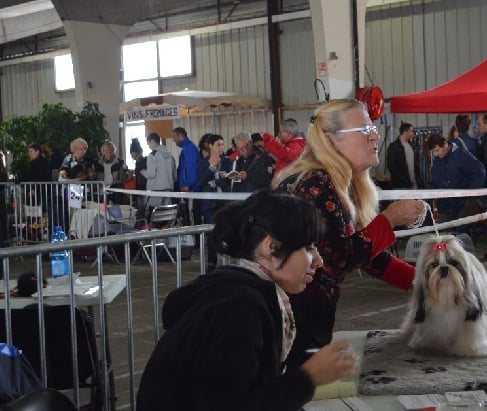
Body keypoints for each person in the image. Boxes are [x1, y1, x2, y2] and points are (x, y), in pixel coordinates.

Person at [136, 190, 356, 411]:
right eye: (308, 248)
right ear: (272, 247)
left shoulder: (239, 293)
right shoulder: (239, 308)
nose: (318, 261)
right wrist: (309, 378)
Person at [274, 99, 425, 368]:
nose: (376, 136)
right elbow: (337, 258)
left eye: (373, 128)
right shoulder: (314, 186)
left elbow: (369, 256)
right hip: (290, 322)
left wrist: (424, 282)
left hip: (308, 318)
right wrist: (389, 221)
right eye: (365, 130)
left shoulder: (338, 183)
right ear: (332, 141)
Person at [425, 133, 485, 221]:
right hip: (444, 208)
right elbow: (435, 181)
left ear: (445, 144)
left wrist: (472, 195)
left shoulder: (461, 155)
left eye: (437, 150)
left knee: (462, 233)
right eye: (433, 152)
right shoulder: (437, 163)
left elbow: (479, 171)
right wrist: (430, 196)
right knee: (445, 233)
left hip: (462, 207)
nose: (436, 154)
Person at [196, 134, 232, 271]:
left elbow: (228, 179)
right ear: (210, 146)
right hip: (209, 203)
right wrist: (212, 167)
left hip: (225, 201)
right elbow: (201, 179)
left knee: (226, 230)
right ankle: (211, 261)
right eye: (218, 144)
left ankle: (227, 259)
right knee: (210, 232)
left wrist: (214, 182)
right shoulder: (203, 163)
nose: (221, 147)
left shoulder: (227, 161)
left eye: (222, 144)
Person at [141, 133, 176, 218]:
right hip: (168, 189)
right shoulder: (170, 155)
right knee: (167, 216)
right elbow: (174, 175)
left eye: (148, 143)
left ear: (152, 141)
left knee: (155, 217)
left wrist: (143, 172)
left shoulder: (152, 155)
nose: (148, 146)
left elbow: (151, 173)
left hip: (156, 190)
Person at [386, 122, 422, 189]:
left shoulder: (411, 146)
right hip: (400, 186)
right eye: (411, 131)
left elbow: (415, 165)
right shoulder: (393, 147)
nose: (413, 134)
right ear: (405, 132)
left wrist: (419, 181)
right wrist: (403, 181)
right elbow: (391, 166)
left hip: (414, 185)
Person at [171, 127, 201, 193]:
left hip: (190, 188)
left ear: (180, 136)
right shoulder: (187, 148)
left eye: (174, 137)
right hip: (189, 187)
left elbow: (191, 168)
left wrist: (188, 185)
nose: (173, 139)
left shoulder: (188, 149)